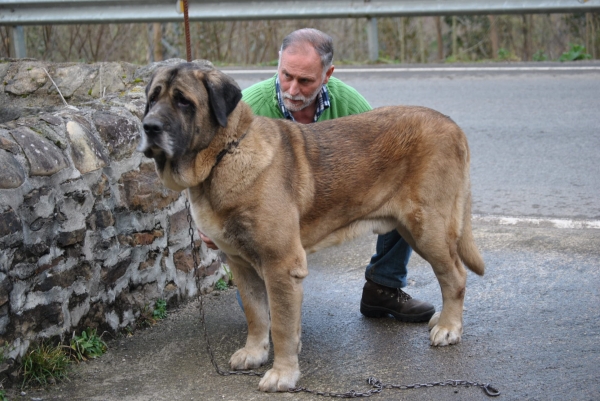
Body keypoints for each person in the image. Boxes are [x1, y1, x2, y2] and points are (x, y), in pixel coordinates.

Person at [200, 28, 434, 323]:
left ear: (328, 74)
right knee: (272, 315)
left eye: (305, 81)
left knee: (400, 186)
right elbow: (209, 173)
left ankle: (383, 286)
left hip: (328, 208)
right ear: (278, 64)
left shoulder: (351, 106)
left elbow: (384, 162)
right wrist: (209, 224)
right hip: (265, 223)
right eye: (286, 76)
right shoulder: (247, 108)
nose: (292, 90)